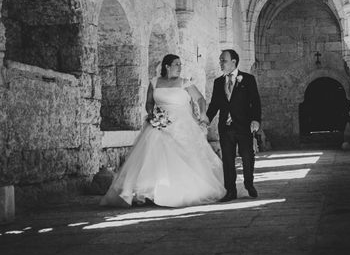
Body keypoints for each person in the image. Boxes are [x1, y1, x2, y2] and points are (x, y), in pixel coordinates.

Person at [101, 54, 226, 207]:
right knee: (152, 154)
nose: (180, 67)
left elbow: (200, 99)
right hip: (159, 122)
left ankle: (178, 190)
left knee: (183, 156)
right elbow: (149, 102)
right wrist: (152, 113)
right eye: (176, 64)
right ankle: (148, 192)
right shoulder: (154, 82)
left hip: (181, 124)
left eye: (180, 64)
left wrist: (203, 114)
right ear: (167, 66)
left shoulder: (184, 83)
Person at [206, 49, 262, 202]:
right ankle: (230, 190)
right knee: (228, 160)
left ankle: (249, 184)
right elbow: (214, 105)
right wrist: (206, 120)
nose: (220, 63)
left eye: (223, 60)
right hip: (226, 127)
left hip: (244, 125)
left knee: (247, 156)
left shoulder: (248, 79)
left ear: (233, 62)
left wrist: (256, 120)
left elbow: (255, 102)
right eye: (220, 60)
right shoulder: (218, 82)